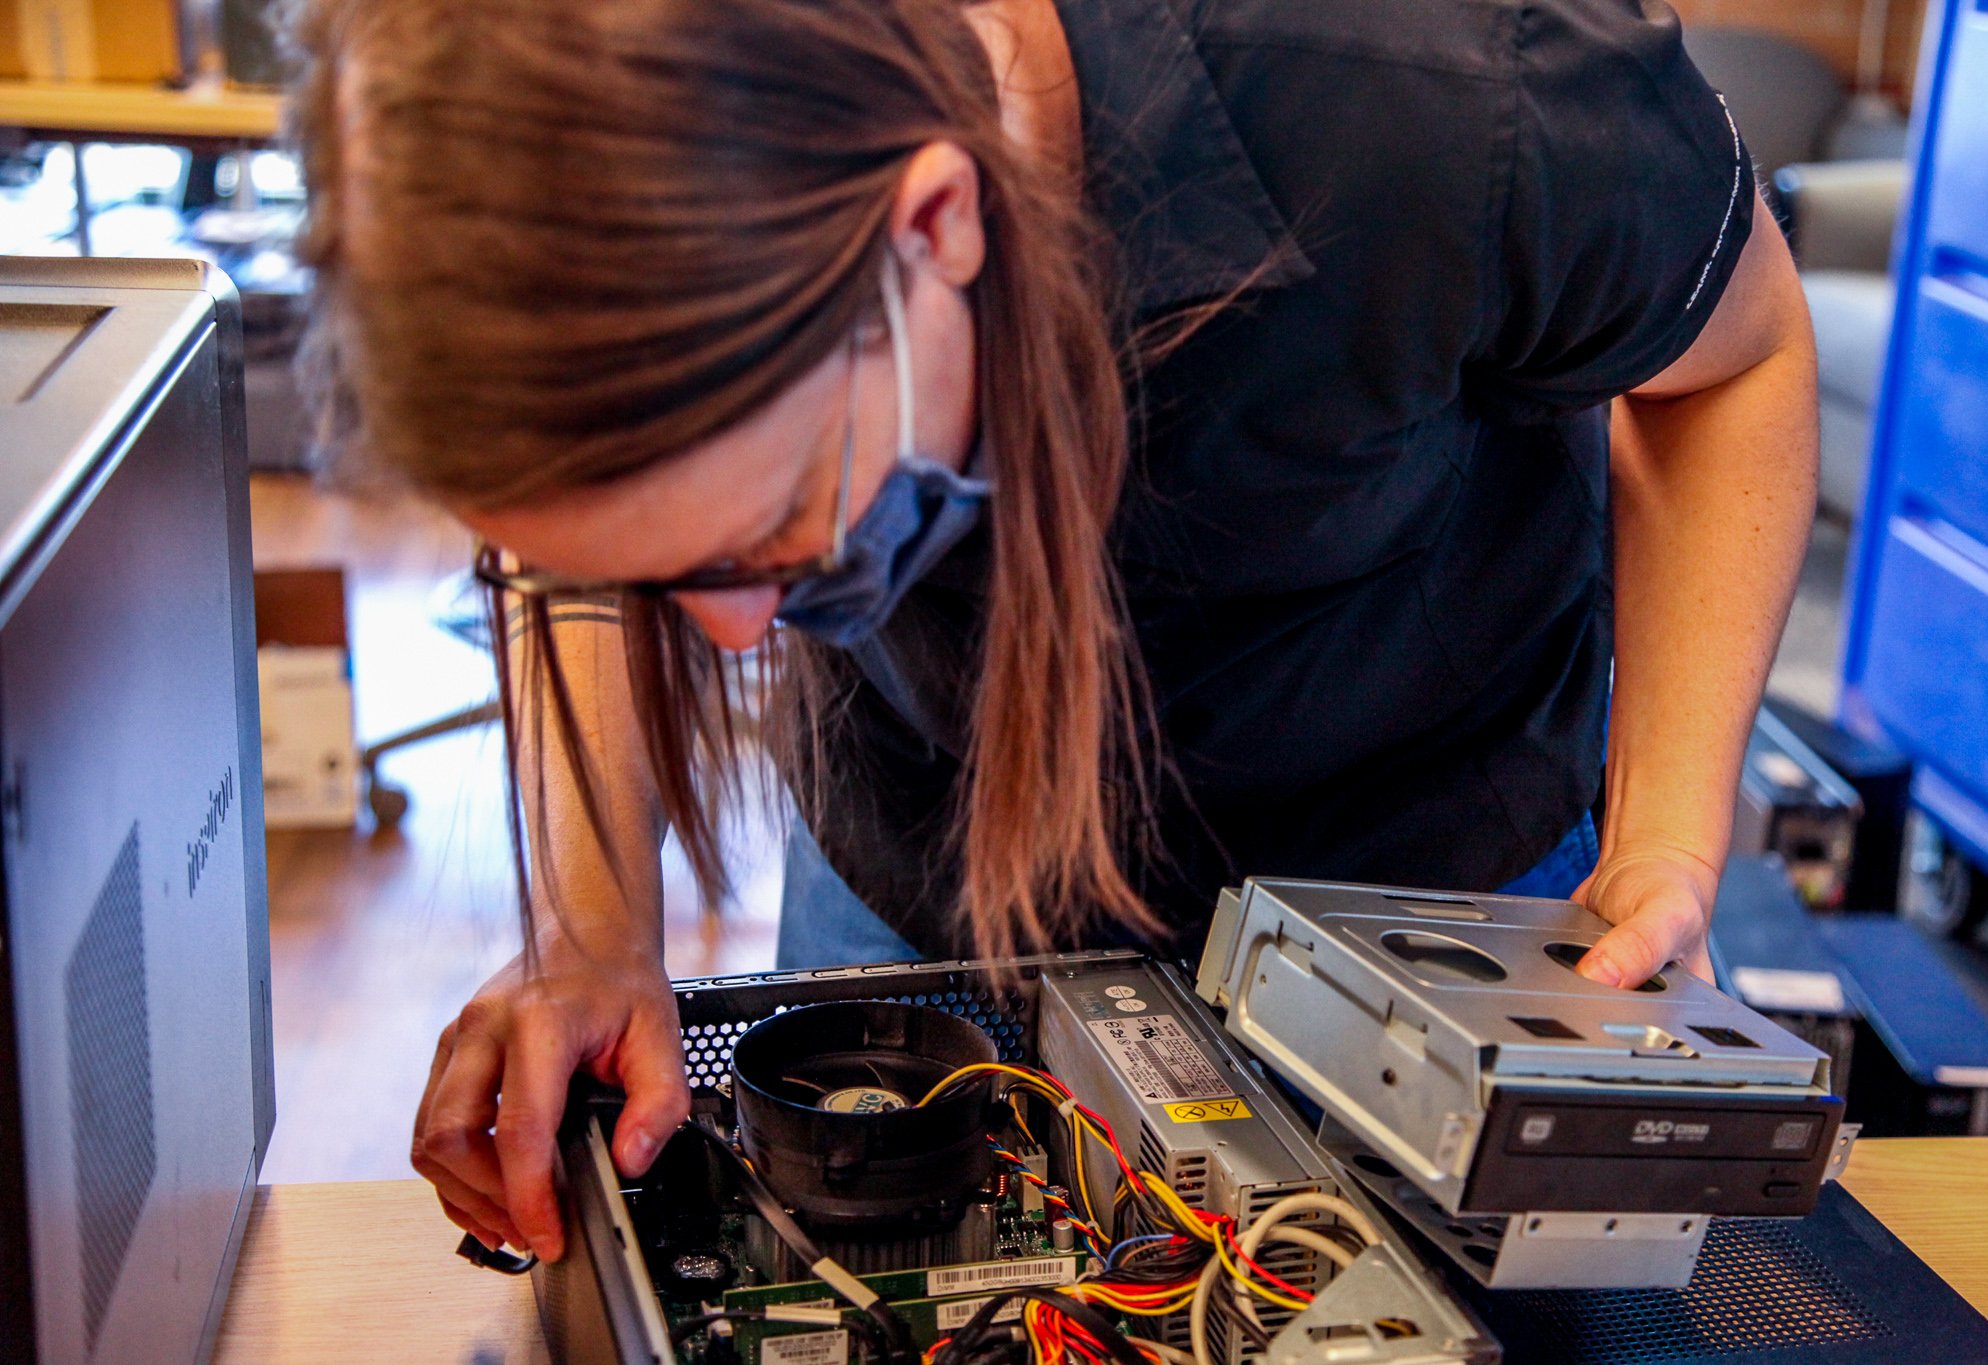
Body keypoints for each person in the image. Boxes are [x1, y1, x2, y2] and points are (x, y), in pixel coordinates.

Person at [290, 0, 1817, 1264]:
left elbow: (1734, 362)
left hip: (1426, 882)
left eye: (770, 532)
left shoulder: (1440, 91)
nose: (741, 633)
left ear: (937, 220)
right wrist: (588, 922)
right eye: (664, 576)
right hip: (925, 837)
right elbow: (592, 525)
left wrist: (1667, 838)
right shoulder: (667, 168)